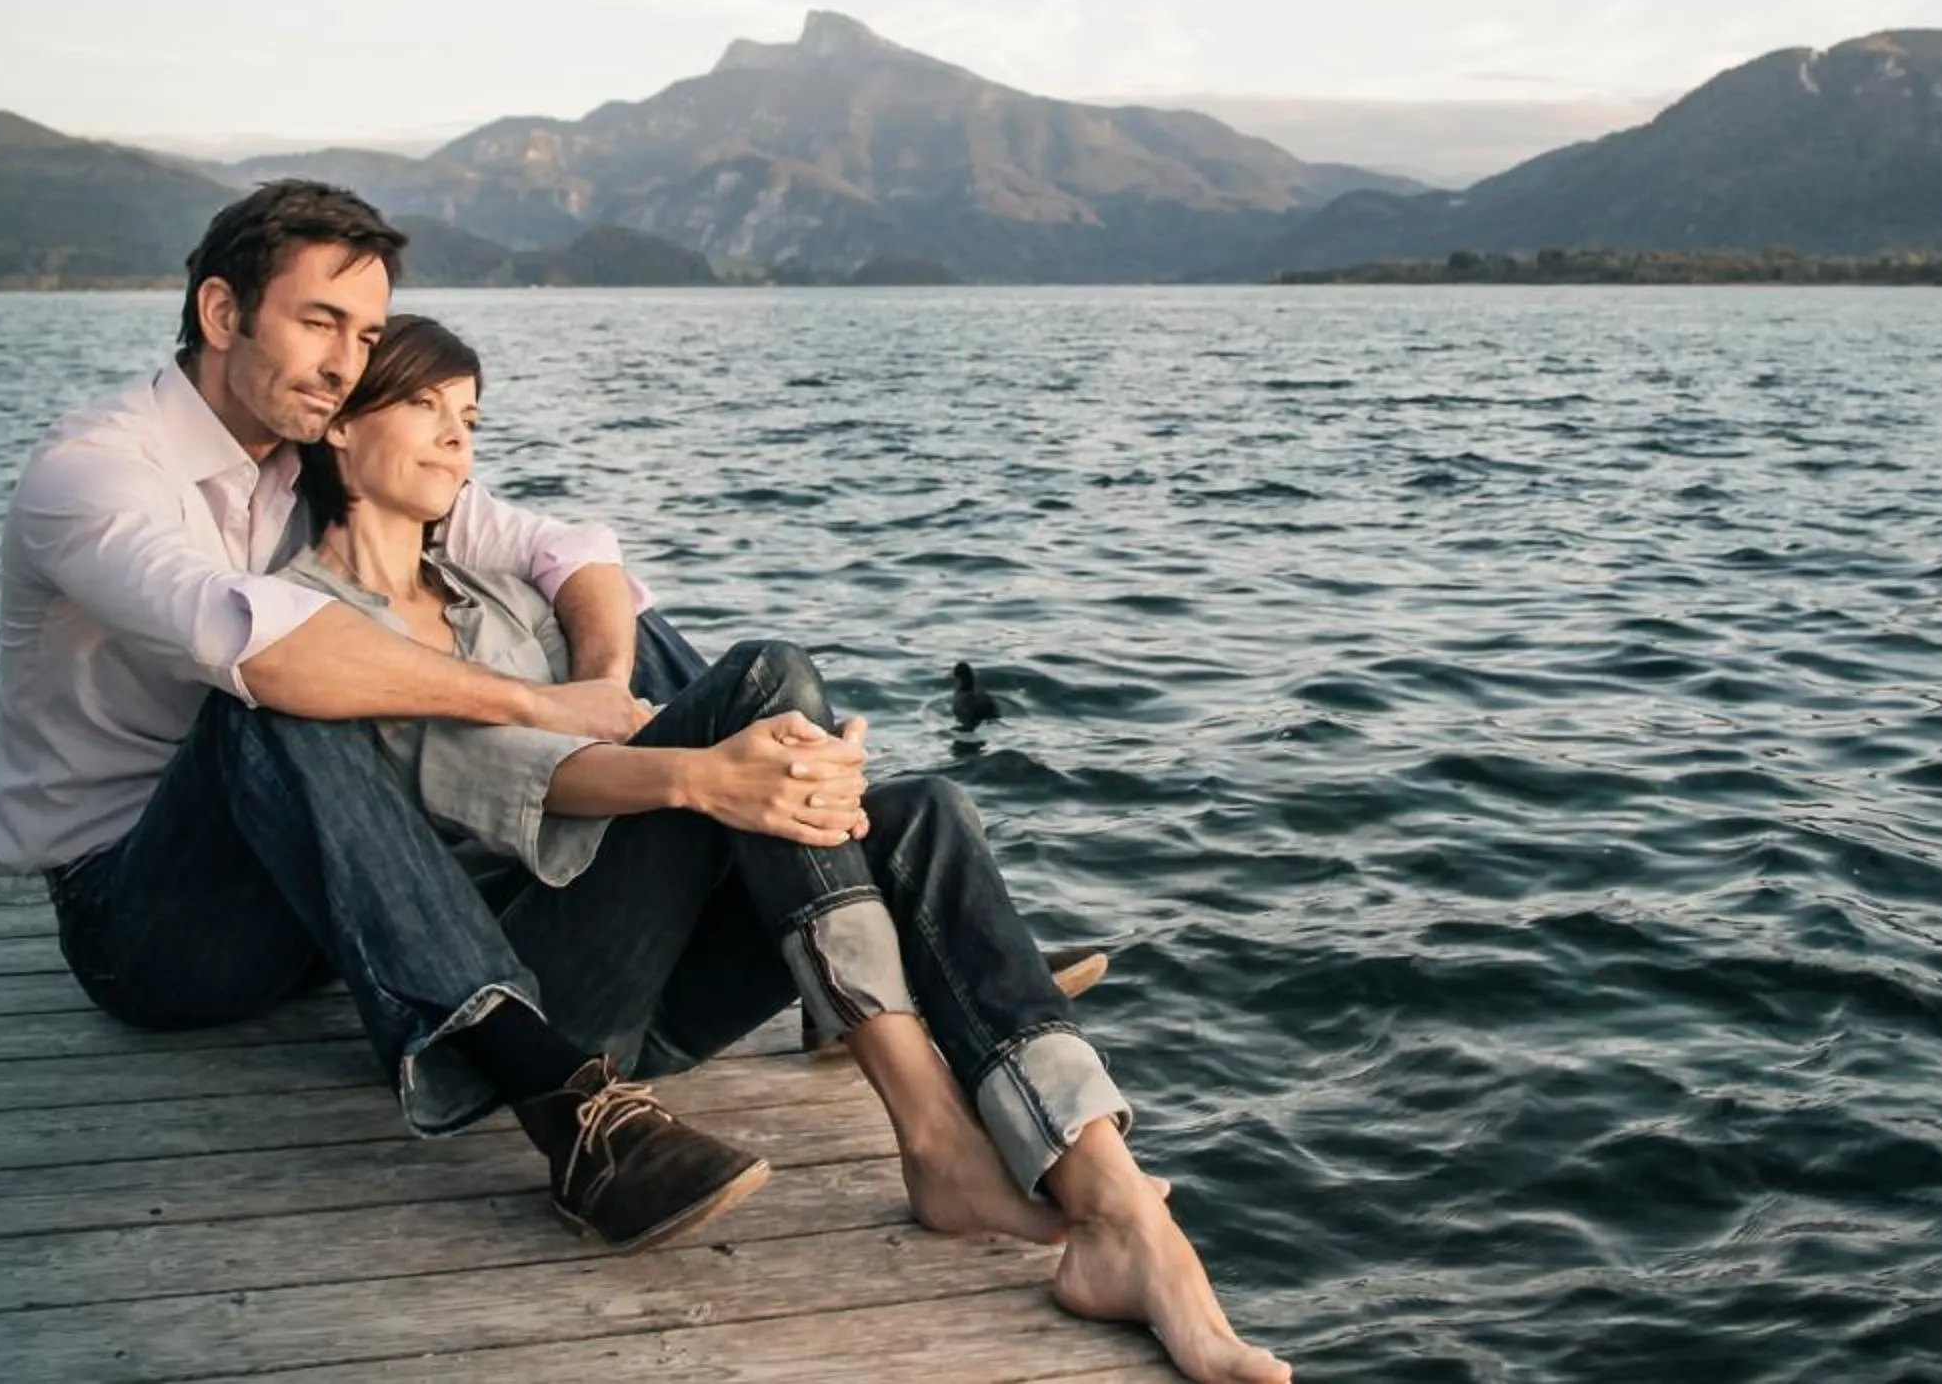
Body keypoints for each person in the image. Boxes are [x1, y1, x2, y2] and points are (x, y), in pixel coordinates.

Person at [0, 180, 1288, 1382]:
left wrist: (622, 694)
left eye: (364, 331)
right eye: (319, 322)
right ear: (222, 311)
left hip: (327, 888)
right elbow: (269, 650)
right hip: (149, 909)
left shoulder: (317, 445)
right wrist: (579, 719)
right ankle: (573, 1096)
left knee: (896, 794)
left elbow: (564, 544)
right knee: (274, 693)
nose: (343, 360)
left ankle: (1107, 1196)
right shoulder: (99, 476)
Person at [281, 310, 1288, 1384]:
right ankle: (937, 1136)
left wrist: (793, 779)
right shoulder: (311, 619)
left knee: (925, 812)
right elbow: (494, 780)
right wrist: (710, 772)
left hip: (657, 987)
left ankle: (1119, 1206)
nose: (456, 438)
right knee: (767, 684)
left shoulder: (499, 593)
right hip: (536, 998)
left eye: (470, 416)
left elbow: (596, 618)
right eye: (425, 405)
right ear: (339, 425)